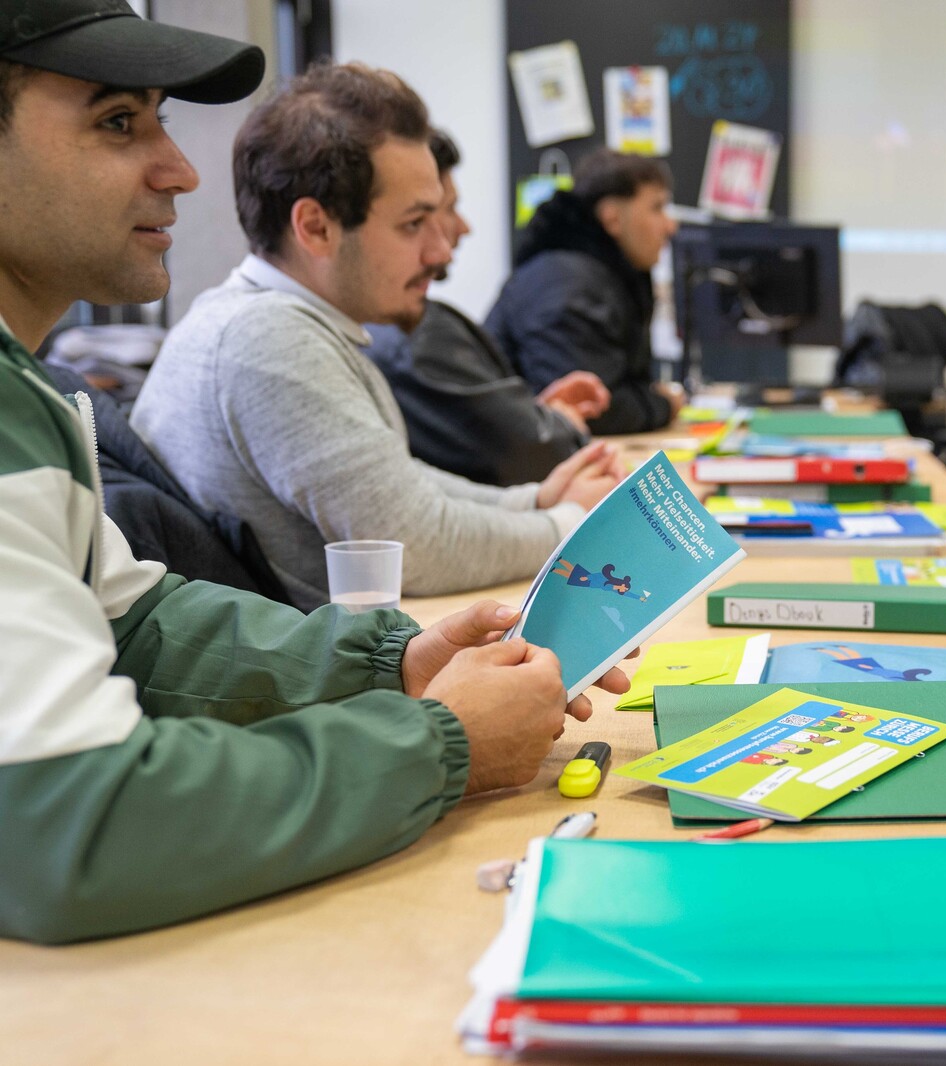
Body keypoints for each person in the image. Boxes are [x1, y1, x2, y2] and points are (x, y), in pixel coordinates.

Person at [0, 1, 626, 945]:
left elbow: (143, 629)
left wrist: (394, 664)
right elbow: (71, 824)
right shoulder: (258, 340)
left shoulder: (28, 391)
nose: (180, 169)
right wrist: (439, 740)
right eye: (118, 122)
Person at [133, 63, 627, 611]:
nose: (440, 250)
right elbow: (414, 545)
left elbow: (397, 485)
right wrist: (571, 523)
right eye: (413, 223)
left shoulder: (262, 320)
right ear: (315, 227)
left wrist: (534, 501)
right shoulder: (266, 340)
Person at [364, 129, 613, 486]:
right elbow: (526, 453)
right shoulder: (413, 336)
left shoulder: (405, 327)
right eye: (415, 221)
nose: (460, 231)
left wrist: (535, 415)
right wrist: (555, 424)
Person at [485, 149, 685, 435]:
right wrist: (663, 405)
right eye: (657, 208)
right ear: (612, 218)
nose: (670, 226)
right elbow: (592, 410)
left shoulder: (603, 276)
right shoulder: (567, 282)